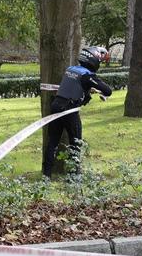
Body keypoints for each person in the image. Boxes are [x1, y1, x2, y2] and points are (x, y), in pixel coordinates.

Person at [42, 46, 113, 178]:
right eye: (100, 60)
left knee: (52, 141)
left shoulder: (70, 70)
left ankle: (46, 175)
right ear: (93, 59)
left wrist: (87, 89)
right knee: (75, 142)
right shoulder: (87, 75)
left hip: (56, 106)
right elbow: (107, 90)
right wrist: (93, 86)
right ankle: (73, 176)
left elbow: (74, 86)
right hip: (70, 110)